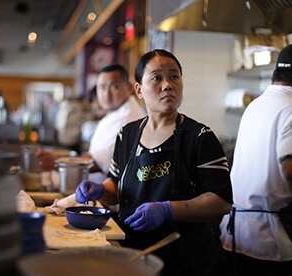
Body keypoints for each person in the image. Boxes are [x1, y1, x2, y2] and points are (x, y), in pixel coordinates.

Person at [75, 49, 233, 276]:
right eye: (157, 78)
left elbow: (221, 201)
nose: (167, 84)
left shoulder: (199, 137)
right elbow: (116, 187)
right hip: (132, 254)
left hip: (185, 260)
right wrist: (100, 190)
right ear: (139, 90)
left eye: (174, 76)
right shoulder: (127, 134)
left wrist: (168, 210)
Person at [219, 44, 292, 275]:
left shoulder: (256, 105)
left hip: (235, 233)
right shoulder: (290, 108)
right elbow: (289, 170)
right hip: (269, 240)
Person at [38, 64, 145, 183]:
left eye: (114, 86)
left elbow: (101, 161)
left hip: (110, 195)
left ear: (129, 87)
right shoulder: (116, 111)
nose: (107, 93)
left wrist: (57, 162)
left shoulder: (127, 116)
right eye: (102, 87)